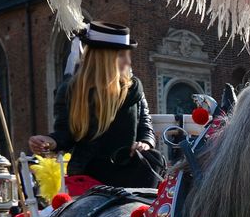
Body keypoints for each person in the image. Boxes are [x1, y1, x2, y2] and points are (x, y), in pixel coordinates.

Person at [29, 22, 158, 195]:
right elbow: (64, 135)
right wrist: (48, 142)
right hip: (91, 174)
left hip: (133, 171)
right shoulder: (71, 90)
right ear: (104, 58)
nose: (128, 61)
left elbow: (145, 126)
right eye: (122, 55)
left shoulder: (134, 88)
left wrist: (146, 143)